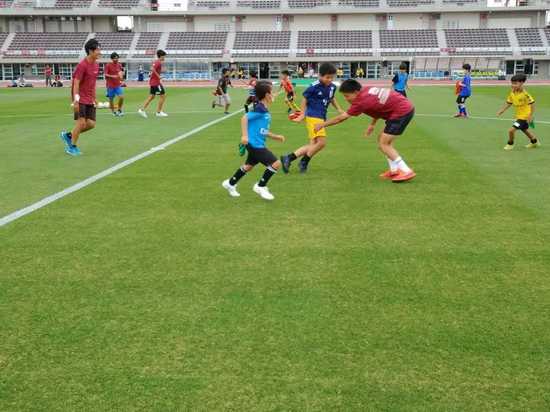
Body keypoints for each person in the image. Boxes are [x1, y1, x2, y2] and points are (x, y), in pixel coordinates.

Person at [313, 79, 416, 183]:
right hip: (402, 108)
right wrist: (372, 124)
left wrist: (322, 125)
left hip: (402, 112)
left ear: (356, 92)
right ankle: (394, 170)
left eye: (347, 96)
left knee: (384, 144)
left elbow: (341, 118)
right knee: (382, 140)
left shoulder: (360, 102)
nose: (346, 99)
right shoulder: (367, 90)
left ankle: (406, 171)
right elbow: (379, 108)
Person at [222, 81, 285, 201]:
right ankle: (260, 186)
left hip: (257, 143)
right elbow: (244, 118)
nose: (274, 94)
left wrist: (275, 136)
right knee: (276, 163)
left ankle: (230, 183)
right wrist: (245, 136)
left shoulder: (264, 109)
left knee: (248, 166)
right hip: (254, 144)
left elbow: (262, 130)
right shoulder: (260, 109)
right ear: (266, 95)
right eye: (272, 92)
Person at [280, 63, 344, 174]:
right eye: (327, 77)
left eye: (331, 77)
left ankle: (288, 158)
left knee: (313, 145)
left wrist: (339, 109)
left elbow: (331, 98)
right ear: (320, 76)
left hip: (321, 117)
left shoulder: (332, 87)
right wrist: (302, 114)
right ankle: (304, 161)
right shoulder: (314, 86)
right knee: (322, 143)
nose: (329, 80)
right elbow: (304, 99)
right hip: (313, 116)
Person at [59, 38, 101, 156]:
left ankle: (68, 135)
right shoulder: (82, 65)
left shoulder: (96, 65)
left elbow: (92, 83)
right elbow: (76, 83)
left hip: (89, 98)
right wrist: (76, 101)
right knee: (81, 123)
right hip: (80, 98)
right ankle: (72, 147)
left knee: (91, 124)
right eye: (98, 50)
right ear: (91, 51)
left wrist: (95, 98)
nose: (100, 52)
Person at [497, 73, 540, 151]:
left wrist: (530, 115)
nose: (513, 85)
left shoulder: (525, 94)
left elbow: (532, 104)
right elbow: (509, 103)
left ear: (521, 83)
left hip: (524, 117)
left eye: (515, 83)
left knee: (511, 131)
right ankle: (534, 142)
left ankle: (510, 144)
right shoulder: (512, 93)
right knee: (524, 129)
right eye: (512, 83)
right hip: (519, 116)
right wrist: (502, 111)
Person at [138, 49, 168, 118]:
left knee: (152, 97)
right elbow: (152, 69)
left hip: (153, 82)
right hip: (156, 83)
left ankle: (142, 110)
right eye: (164, 56)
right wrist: (159, 76)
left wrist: (158, 74)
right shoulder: (158, 62)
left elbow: (152, 69)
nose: (164, 58)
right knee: (163, 96)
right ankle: (158, 112)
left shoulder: (156, 62)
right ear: (161, 56)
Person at [104, 52, 125, 117]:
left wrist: (122, 77)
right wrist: (113, 76)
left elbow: (120, 73)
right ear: (112, 59)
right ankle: (113, 112)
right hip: (110, 85)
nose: (116, 59)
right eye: (115, 58)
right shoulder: (108, 65)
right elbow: (105, 74)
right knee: (111, 99)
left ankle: (119, 110)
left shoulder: (119, 65)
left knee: (121, 97)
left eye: (117, 58)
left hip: (117, 85)